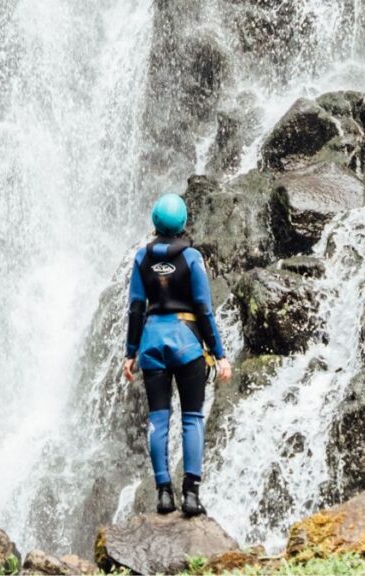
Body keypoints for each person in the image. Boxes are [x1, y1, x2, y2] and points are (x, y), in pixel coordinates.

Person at [122, 193, 232, 517]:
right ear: (183, 223)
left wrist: (130, 353)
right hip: (186, 343)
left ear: (155, 222)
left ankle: (164, 493)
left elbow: (135, 308)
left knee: (158, 418)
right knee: (192, 418)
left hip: (152, 342)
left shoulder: (141, 258)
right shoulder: (192, 257)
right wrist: (219, 354)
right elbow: (203, 308)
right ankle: (191, 495)